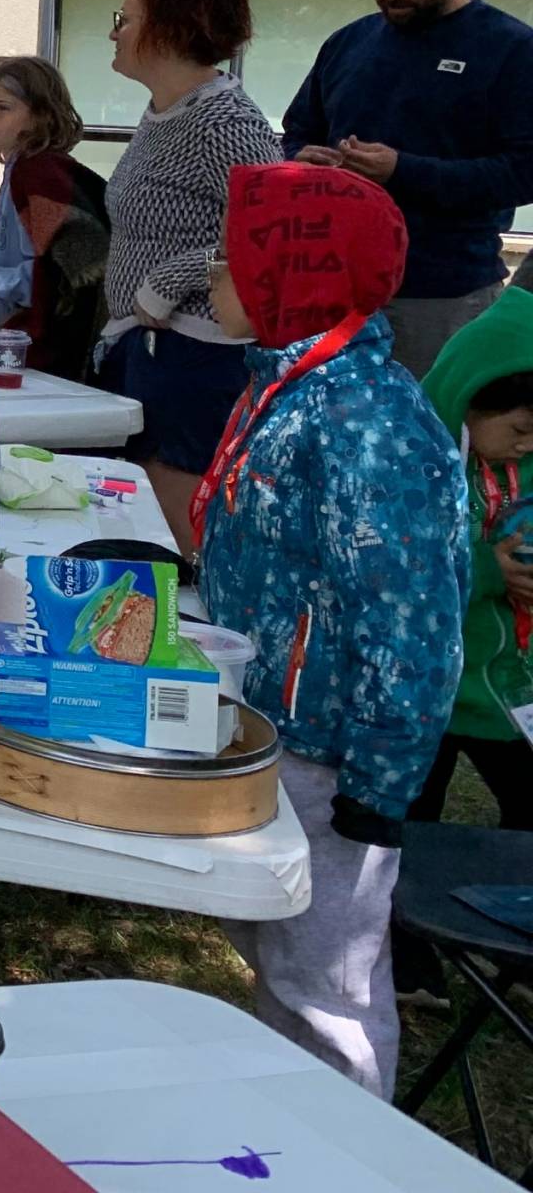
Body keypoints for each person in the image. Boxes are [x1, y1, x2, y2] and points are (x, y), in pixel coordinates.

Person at [196, 162, 467, 1095]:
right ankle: (290, 1125)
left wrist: (382, 782)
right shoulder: (285, 387)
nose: (211, 281)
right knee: (280, 954)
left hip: (336, 758)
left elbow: (412, 618)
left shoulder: (366, 420)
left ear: (293, 276)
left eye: (230, 264)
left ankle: (344, 1148)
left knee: (330, 988)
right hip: (274, 728)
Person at [283, 0, 533, 378]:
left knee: (430, 442)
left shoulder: (510, 50)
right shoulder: (347, 43)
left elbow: (523, 173)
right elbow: (296, 133)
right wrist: (302, 160)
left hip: (441, 296)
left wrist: (403, 170)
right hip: (333, 291)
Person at [95, 0, 280, 549]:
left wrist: (171, 278)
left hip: (197, 357)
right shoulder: (166, 113)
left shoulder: (222, 118)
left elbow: (270, 227)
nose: (115, 32)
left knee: (177, 541)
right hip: (153, 350)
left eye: (126, 18)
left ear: (170, 31)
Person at [394, 289, 533, 1000]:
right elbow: (408, 568)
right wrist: (487, 567)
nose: (527, 444)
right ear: (467, 400)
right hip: (433, 683)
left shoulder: (521, 447)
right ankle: (408, 959)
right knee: (413, 821)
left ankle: (514, 950)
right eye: (518, 427)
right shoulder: (421, 468)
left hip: (511, 684)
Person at [0, 56, 110, 381]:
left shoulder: (40, 175)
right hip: (21, 344)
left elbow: (57, 276)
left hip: (47, 352)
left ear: (40, 114)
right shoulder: (24, 168)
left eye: (2, 108)